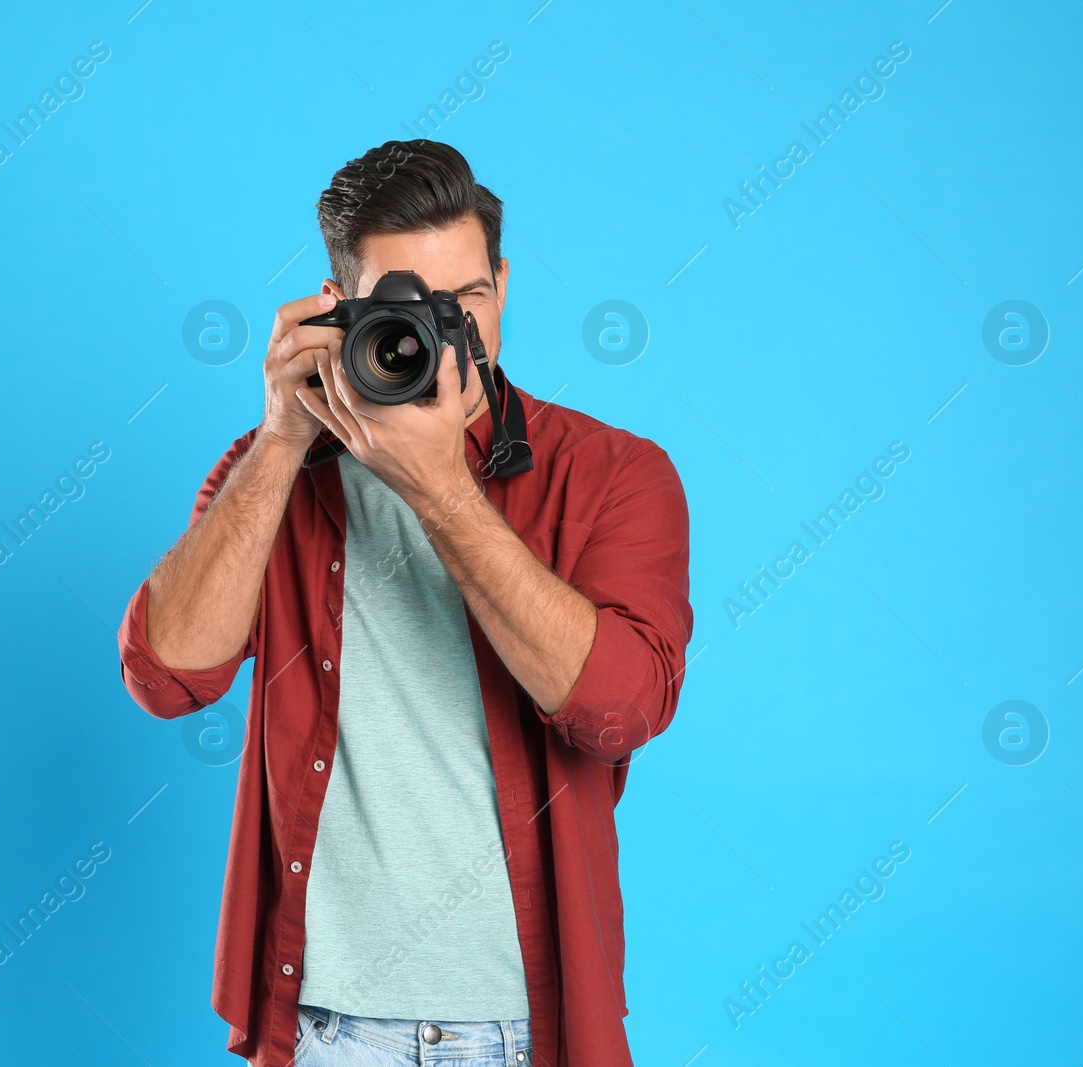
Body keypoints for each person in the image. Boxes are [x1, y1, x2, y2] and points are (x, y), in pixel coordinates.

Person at [117, 138, 692, 1067]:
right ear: (339, 308)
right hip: (323, 1024)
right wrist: (276, 442)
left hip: (521, 1024)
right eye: (405, 305)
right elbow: (168, 677)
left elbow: (618, 709)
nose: (443, 328)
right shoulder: (273, 476)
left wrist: (443, 492)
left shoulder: (614, 473)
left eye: (463, 299)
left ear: (501, 286)